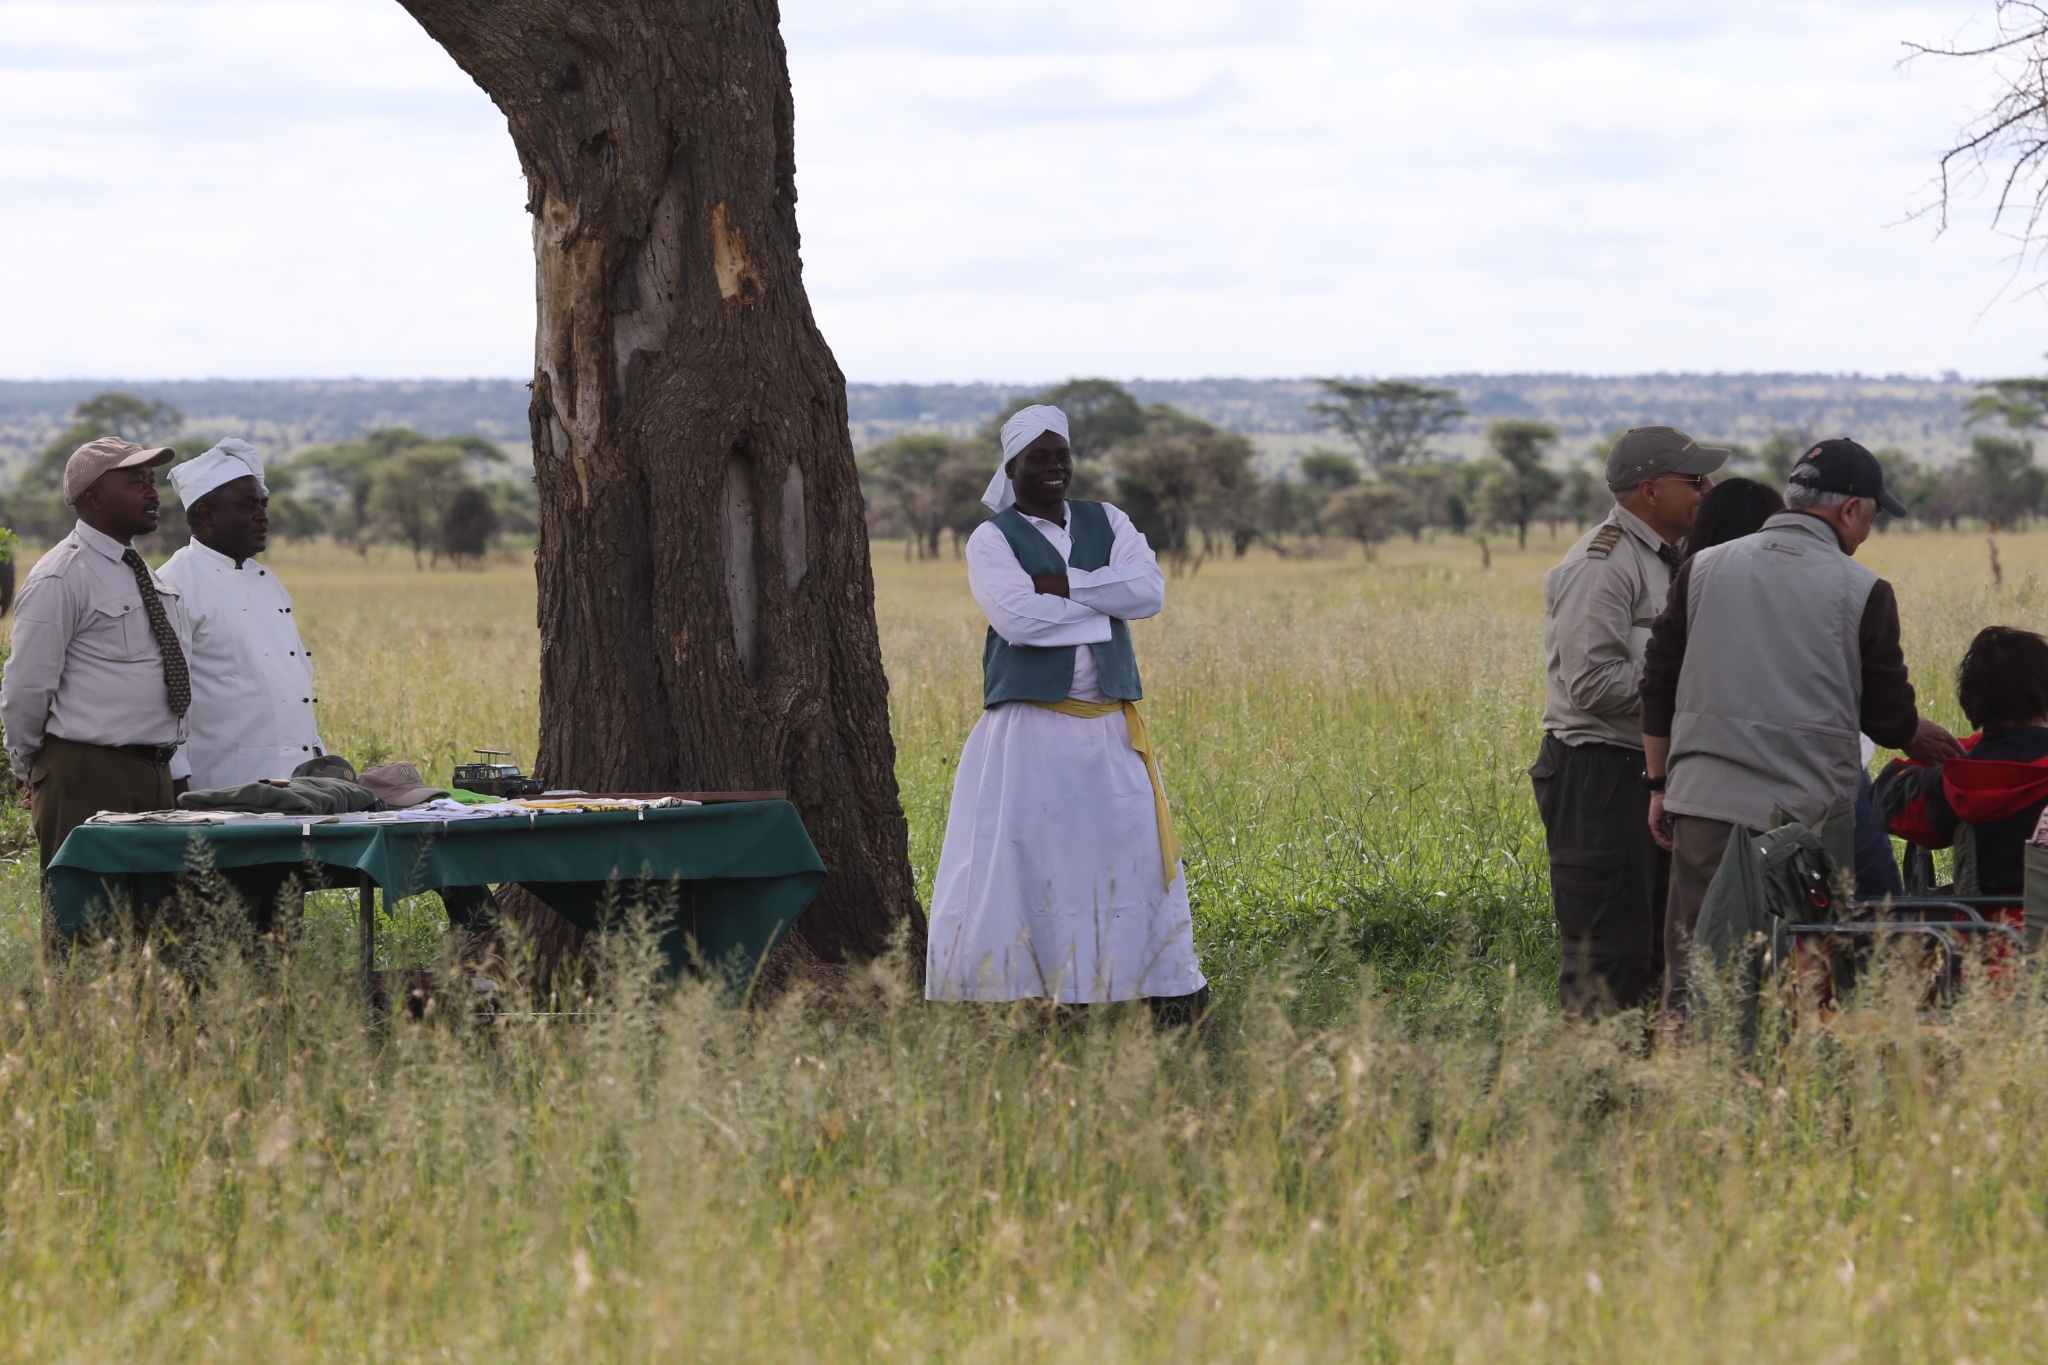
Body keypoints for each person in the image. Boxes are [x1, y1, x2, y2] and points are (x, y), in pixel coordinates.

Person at [1640, 438, 1961, 1015]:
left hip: (1706, 806)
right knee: (1802, 975)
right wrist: (1918, 735)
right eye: (1871, 518)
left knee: (1700, 969)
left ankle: (1688, 1091)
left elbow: (1658, 684)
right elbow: (1887, 716)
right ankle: (1788, 1092)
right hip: (1807, 820)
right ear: (1850, 511)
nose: (1867, 533)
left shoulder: (1702, 568)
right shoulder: (1863, 590)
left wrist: (1659, 785)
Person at [925, 404, 1207, 1021]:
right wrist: (1108, 601)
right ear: (1012, 467)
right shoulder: (992, 538)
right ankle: (1028, 998)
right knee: (1030, 861)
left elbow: (1150, 593)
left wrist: (1063, 586)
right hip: (1030, 728)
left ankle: (1145, 988)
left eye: (1061, 456)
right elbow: (1018, 621)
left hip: (1109, 726)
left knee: (1129, 859)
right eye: (1038, 458)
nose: (1054, 468)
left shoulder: (1108, 518)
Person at [1532, 426, 1723, 1015]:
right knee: (1609, 956)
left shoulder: (1674, 557)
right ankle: (1593, 1095)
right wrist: (1682, 690)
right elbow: (1588, 683)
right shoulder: (1604, 563)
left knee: (1663, 952)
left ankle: (1648, 1093)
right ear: (1649, 491)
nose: (1707, 490)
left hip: (1652, 773)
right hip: (1600, 776)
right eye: (1694, 481)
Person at [1682, 478, 1901, 896]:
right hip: (1821, 785)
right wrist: (1912, 733)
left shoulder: (1696, 583)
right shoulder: (1829, 586)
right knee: (1868, 917)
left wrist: (1659, 784)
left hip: (1706, 792)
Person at [0, 437, 192, 872]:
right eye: (135, 481)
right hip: (87, 774)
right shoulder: (62, 575)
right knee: (84, 926)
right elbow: (27, 685)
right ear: (94, 497)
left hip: (155, 773)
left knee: (149, 928)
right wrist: (35, 767)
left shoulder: (142, 572)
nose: (152, 491)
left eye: (151, 479)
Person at [158, 439, 325, 788]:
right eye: (247, 505)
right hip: (224, 789)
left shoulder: (268, 582)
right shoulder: (175, 585)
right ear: (206, 514)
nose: (262, 515)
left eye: (262, 504)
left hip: (299, 784)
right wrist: (175, 787)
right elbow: (164, 703)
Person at [1873, 626, 2048, 896]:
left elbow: (1886, 797)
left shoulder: (1955, 780)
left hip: (1986, 935)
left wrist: (1963, 752)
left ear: (1970, 702)